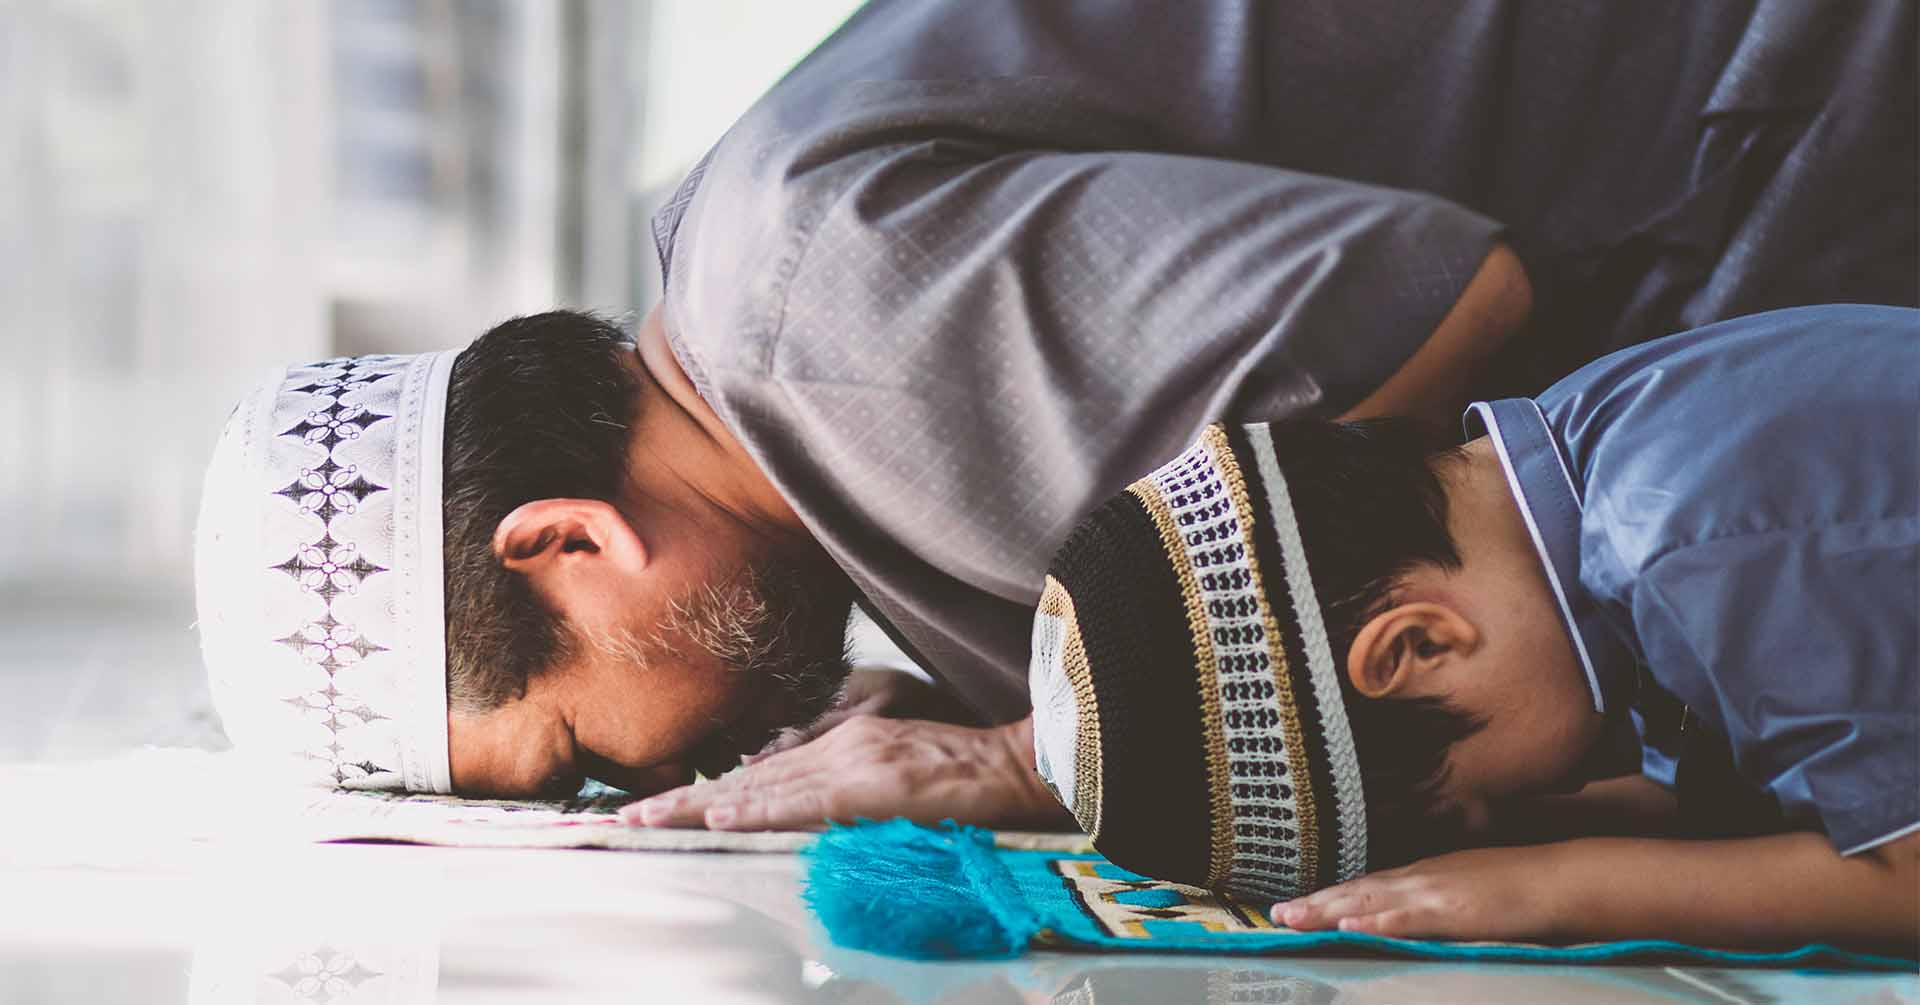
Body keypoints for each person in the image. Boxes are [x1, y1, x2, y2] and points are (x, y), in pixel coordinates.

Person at [196, 2, 1916, 826]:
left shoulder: (835, 336)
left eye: (579, 749)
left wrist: (1033, 751)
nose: (647, 774)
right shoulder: (763, 338)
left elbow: (1449, 300)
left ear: (566, 542)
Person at [1026, 304, 1918, 950]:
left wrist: (1563, 888)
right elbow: (1746, 769)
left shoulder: (1682, 548)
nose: (1534, 806)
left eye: (1468, 802)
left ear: (1419, 645)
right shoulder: (1597, 448)